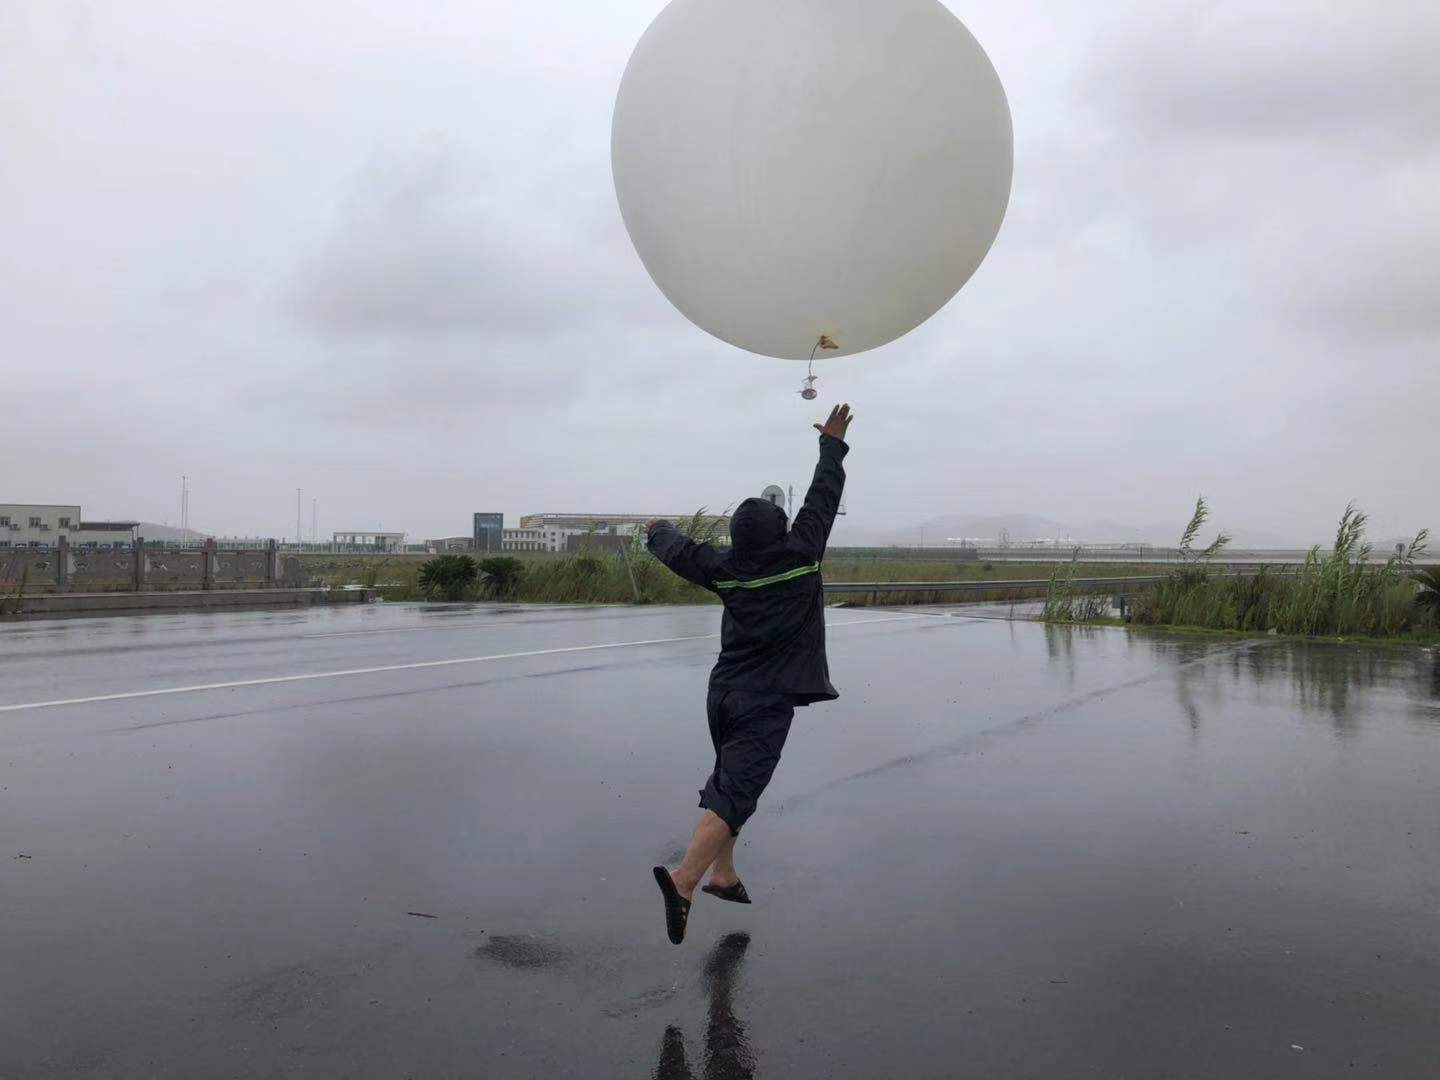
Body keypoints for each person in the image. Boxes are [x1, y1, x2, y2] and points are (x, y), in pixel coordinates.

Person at [647, 403, 853, 944]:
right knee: (736, 792)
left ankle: (723, 873)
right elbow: (823, 498)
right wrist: (831, 444)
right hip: (766, 700)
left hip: (723, 695)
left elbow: (679, 551)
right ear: (780, 530)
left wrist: (656, 530)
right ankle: (685, 880)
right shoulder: (802, 554)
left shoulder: (726, 568)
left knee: (731, 784)